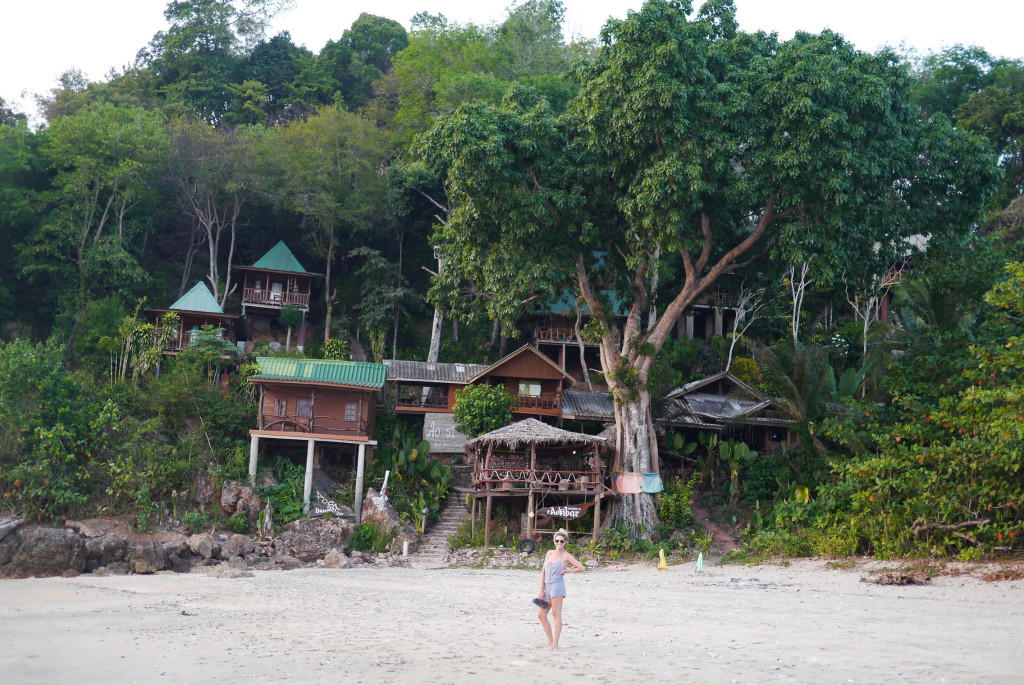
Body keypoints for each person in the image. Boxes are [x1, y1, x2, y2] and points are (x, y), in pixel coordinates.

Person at [536, 528, 584, 649]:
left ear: (565, 542)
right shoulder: (549, 553)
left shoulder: (566, 555)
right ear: (554, 541)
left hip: (557, 586)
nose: (559, 543)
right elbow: (543, 571)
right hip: (547, 587)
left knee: (556, 614)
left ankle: (555, 643)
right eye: (557, 541)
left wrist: (568, 570)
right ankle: (550, 641)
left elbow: (581, 567)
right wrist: (541, 588)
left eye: (561, 541)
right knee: (541, 615)